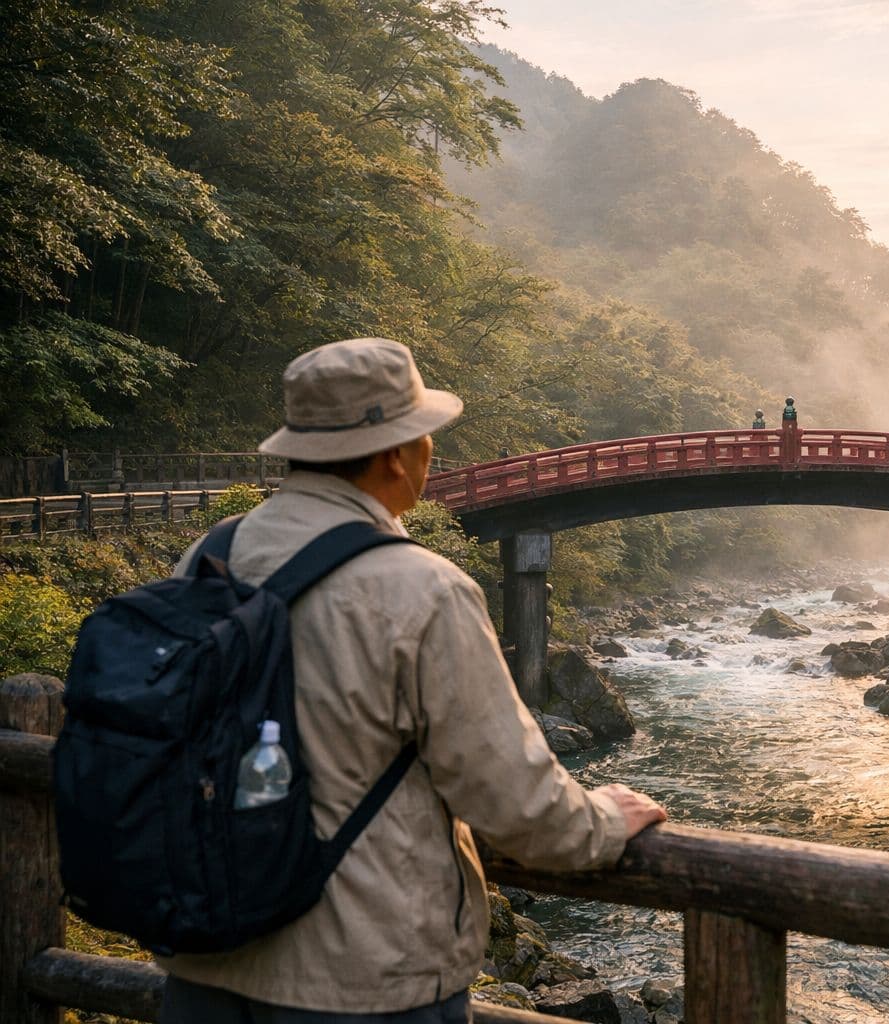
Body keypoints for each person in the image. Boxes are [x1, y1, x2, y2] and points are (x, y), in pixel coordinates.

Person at [158, 337, 666, 1023]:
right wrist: (606, 821)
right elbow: (516, 802)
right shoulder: (423, 589)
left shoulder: (210, 554)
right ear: (401, 453)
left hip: (205, 960)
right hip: (364, 983)